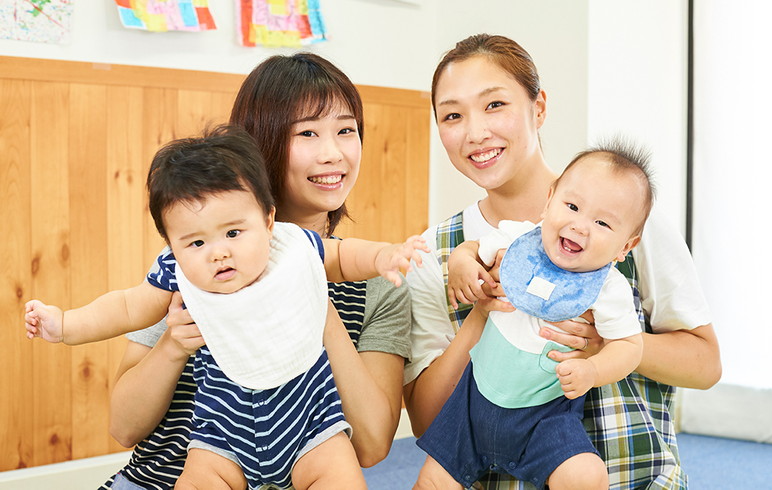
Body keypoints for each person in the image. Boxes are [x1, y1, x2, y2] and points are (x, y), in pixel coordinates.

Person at [24, 125, 426, 489]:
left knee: (341, 479)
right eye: (196, 243)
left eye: (234, 232)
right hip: (219, 436)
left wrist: (383, 257)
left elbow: (343, 257)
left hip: (309, 426)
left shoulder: (290, 248)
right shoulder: (177, 274)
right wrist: (64, 324)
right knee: (197, 481)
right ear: (172, 244)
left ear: (268, 220)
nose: (218, 253)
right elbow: (127, 306)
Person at [403, 34, 721, 489]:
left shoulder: (631, 224)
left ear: (539, 108)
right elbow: (428, 422)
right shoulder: (437, 252)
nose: (475, 132)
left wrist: (608, 347)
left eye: (494, 105)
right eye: (453, 115)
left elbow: (706, 364)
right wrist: (480, 311)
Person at [87, 53, 413, 490]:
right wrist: (173, 343)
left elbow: (372, 445)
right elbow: (124, 427)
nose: (333, 153)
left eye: (346, 130)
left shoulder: (378, 282)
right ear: (265, 141)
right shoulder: (199, 265)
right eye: (308, 133)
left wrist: (316, 302)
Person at [415, 145, 653, 489]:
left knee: (586, 475)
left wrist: (593, 370)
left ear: (625, 247)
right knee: (431, 482)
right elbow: (471, 250)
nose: (579, 225)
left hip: (545, 417)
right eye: (571, 206)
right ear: (549, 200)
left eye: (602, 223)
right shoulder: (517, 239)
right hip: (471, 405)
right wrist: (461, 265)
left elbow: (629, 346)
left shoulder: (607, 288)